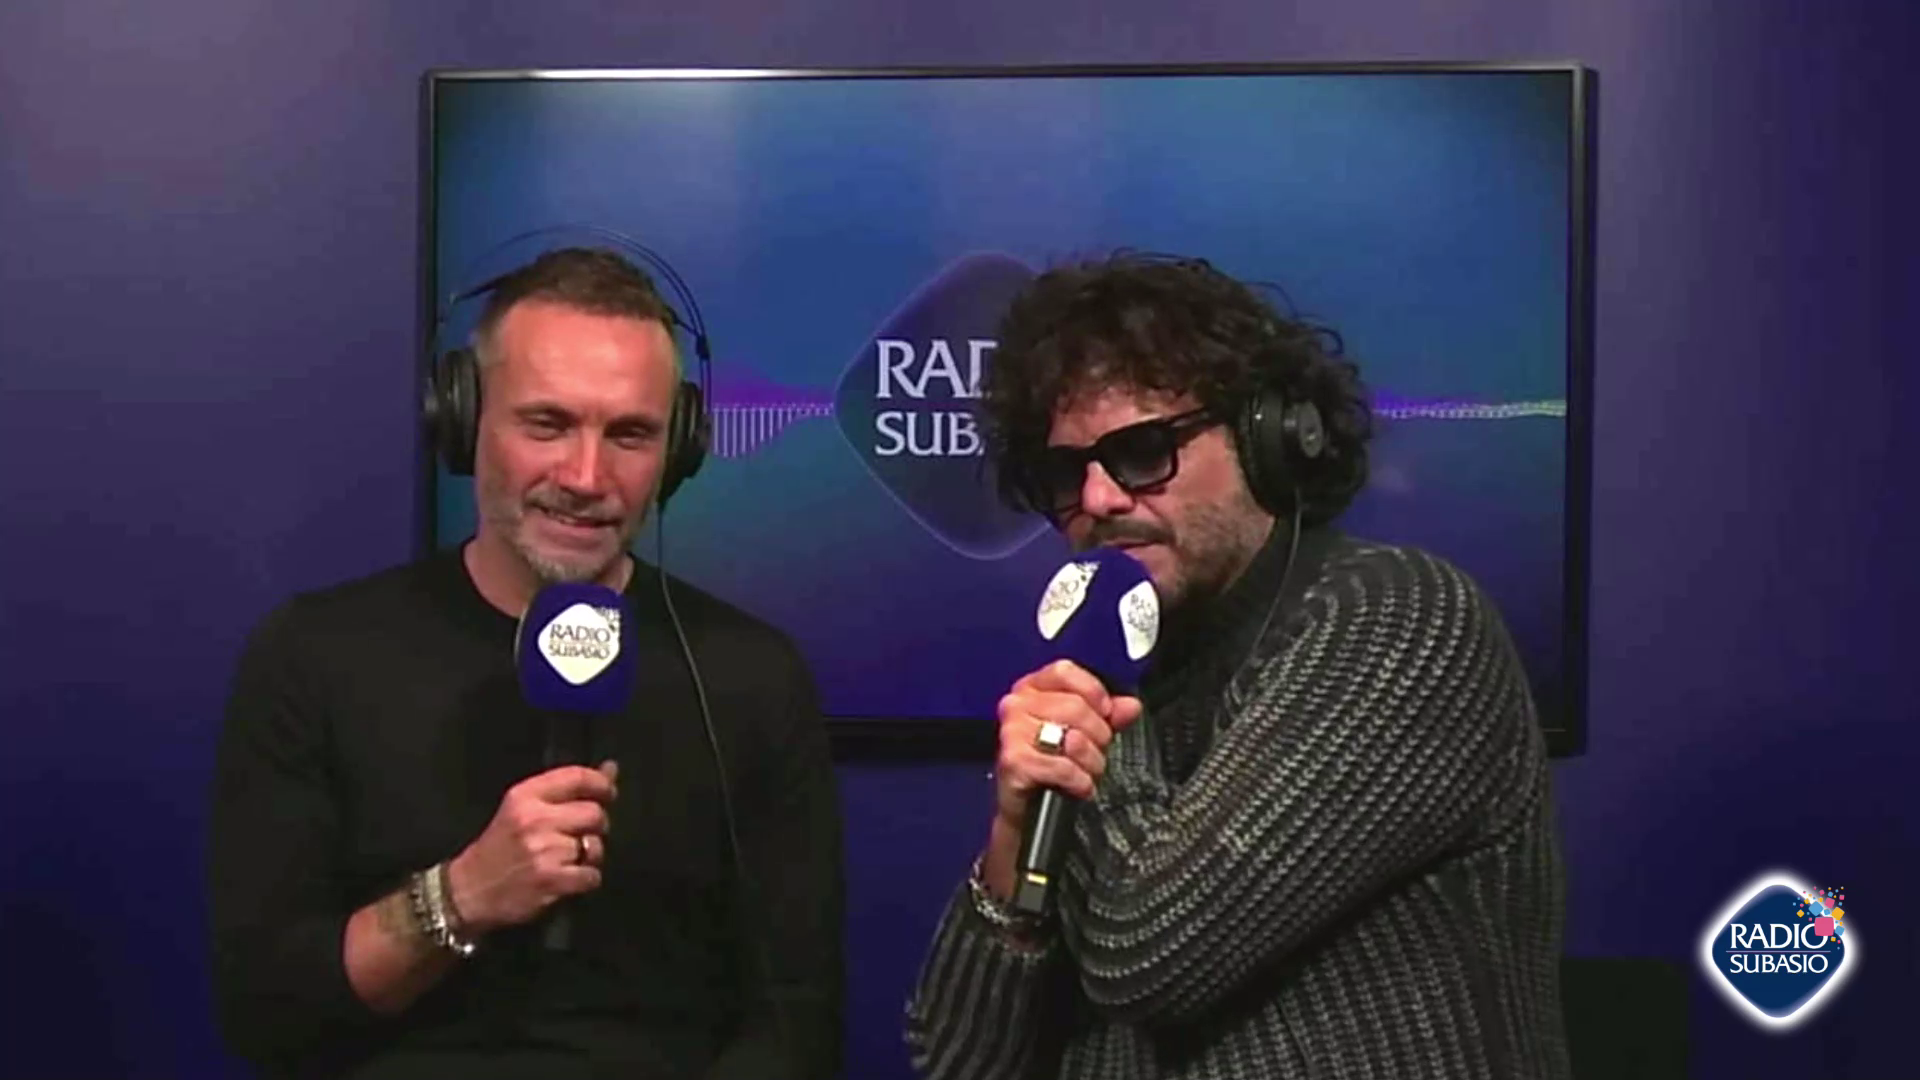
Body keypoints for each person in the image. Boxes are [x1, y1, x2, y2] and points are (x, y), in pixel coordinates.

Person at [904, 252, 1569, 1079]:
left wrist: (1102, 690)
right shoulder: (1114, 687)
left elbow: (1151, 954)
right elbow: (958, 1059)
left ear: (1263, 439)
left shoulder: (1402, 620)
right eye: (1066, 472)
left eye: (1143, 450)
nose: (1101, 500)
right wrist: (1012, 844)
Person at [207, 248, 843, 1080]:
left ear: (679, 448)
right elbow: (268, 1014)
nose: (586, 476)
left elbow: (797, 1026)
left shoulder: (753, 678)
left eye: (629, 434)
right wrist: (463, 895)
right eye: (547, 424)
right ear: (464, 420)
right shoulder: (314, 656)